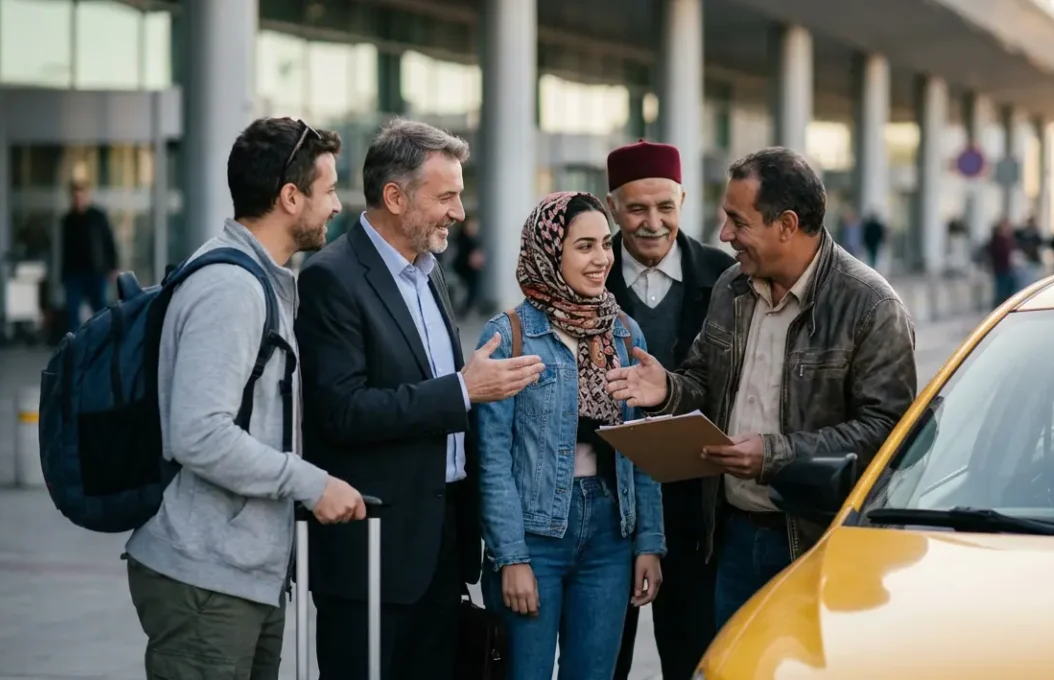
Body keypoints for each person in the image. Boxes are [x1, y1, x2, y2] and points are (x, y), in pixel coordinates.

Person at [605, 146, 918, 628]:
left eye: (737, 221)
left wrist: (773, 456)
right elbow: (703, 381)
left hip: (818, 546)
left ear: (787, 225)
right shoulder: (732, 287)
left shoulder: (872, 307)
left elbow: (890, 431)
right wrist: (666, 388)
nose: (724, 235)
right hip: (731, 540)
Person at [295, 118, 545, 680]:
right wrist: (464, 388)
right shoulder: (330, 279)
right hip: (372, 557)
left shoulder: (429, 272)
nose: (459, 211)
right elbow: (341, 411)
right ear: (394, 196)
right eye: (447, 196)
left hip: (441, 554)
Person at [123, 117, 367, 679]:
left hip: (239, 574)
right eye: (327, 189)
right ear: (290, 197)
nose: (335, 205)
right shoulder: (231, 289)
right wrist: (312, 482)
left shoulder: (264, 279)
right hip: (205, 579)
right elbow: (199, 433)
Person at [477, 190, 666, 680]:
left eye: (606, 244)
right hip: (535, 535)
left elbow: (641, 448)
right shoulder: (509, 337)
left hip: (610, 534)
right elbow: (492, 459)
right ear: (549, 251)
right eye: (584, 246)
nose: (602, 258)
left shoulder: (626, 334)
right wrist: (511, 557)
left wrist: (649, 542)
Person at [601, 140, 734, 680]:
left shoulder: (727, 277)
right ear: (612, 208)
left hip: (700, 509)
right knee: (606, 657)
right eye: (636, 209)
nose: (652, 223)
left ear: (683, 199)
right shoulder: (586, 272)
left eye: (665, 207)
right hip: (611, 508)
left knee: (695, 656)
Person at [60, 181, 118, 332]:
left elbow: (109, 242)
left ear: (87, 196)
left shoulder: (98, 217)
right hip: (74, 273)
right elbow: (64, 249)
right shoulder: (68, 220)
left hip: (96, 271)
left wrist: (113, 267)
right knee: (73, 310)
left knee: (100, 310)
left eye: (81, 196)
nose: (78, 200)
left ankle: (102, 340)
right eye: (75, 197)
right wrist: (63, 274)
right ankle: (74, 345)